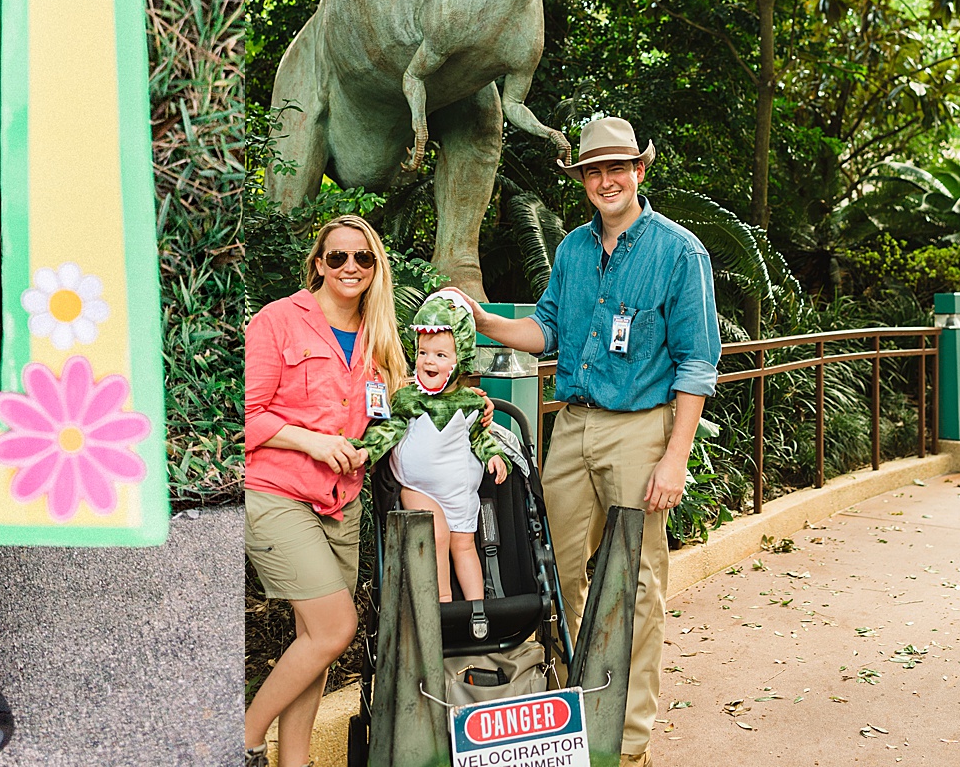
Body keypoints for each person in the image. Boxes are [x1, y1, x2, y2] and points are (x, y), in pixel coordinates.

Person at [470, 117, 720, 767]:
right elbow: (547, 329)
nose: (606, 180)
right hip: (571, 424)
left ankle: (628, 742)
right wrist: (483, 321)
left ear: (640, 170)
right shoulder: (575, 251)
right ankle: (581, 710)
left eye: (618, 167)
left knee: (636, 582)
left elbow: (697, 363)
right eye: (593, 171)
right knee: (555, 569)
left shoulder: (679, 251)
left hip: (640, 428)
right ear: (581, 180)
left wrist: (675, 456)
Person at [243, 216, 410, 767]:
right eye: (337, 257)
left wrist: (470, 410)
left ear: (375, 266)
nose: (350, 267)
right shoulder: (277, 322)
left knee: (314, 640)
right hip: (280, 493)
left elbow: (405, 407)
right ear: (318, 262)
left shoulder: (380, 334)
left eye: (362, 258)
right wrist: (312, 443)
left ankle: (294, 762)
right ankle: (242, 737)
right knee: (336, 629)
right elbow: (243, 415)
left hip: (342, 503)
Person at [359, 289, 509, 602]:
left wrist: (494, 455)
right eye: (424, 353)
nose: (429, 361)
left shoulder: (471, 403)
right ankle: (442, 605)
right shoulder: (408, 399)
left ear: (460, 360)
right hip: (417, 487)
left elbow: (479, 436)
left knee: (464, 546)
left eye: (441, 356)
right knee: (437, 533)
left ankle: (477, 609)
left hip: (457, 492)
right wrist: (366, 450)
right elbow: (390, 429)